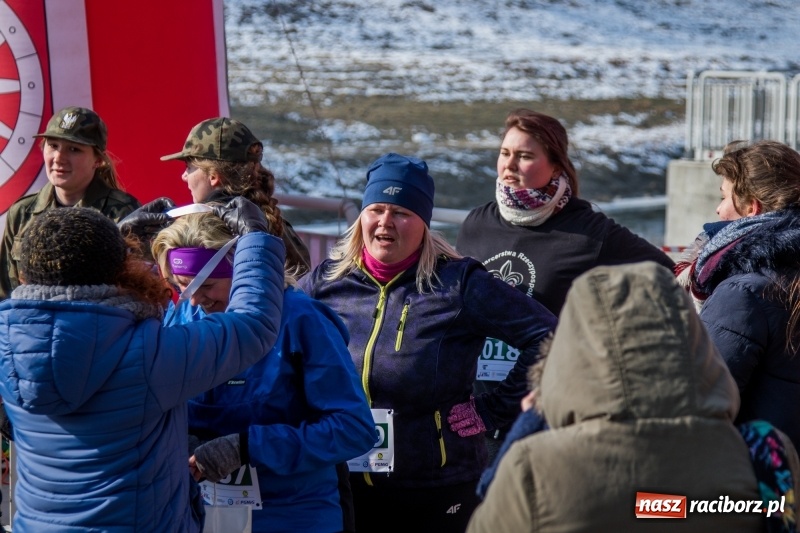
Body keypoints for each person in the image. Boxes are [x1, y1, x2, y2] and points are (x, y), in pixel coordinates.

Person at [299, 153, 557, 532]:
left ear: (424, 224)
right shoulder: (327, 283)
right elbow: (277, 340)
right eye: (376, 210)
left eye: (401, 212)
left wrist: (492, 410)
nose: (385, 222)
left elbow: (549, 337)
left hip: (435, 488)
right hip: (343, 482)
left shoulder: (458, 284)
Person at [0, 201, 285, 532]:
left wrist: (116, 241)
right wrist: (255, 238)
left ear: (25, 275)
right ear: (121, 270)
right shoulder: (148, 354)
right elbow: (252, 325)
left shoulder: (8, 347)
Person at [466, 261, 764, 532]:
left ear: (573, 349)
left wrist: (530, 421)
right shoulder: (762, 455)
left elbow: (489, 516)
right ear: (691, 338)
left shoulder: (536, 468)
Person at [456, 108, 676, 459]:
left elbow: (667, 273)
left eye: (525, 156)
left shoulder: (588, 232)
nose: (509, 165)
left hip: (549, 421)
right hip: (478, 417)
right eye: (505, 153)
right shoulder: (477, 223)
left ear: (556, 166)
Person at [150, 211, 376, 533]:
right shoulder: (185, 316)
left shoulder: (301, 319)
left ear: (241, 269)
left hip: (292, 515)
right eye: (182, 287)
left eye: (207, 285)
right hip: (202, 514)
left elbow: (354, 428)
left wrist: (247, 447)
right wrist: (177, 437)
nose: (196, 300)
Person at [674, 139, 800, 450]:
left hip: (760, 469)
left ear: (752, 208)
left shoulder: (743, 293)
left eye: (723, 197)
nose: (718, 210)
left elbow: (699, 403)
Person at [0, 106, 140, 300]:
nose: (59, 158)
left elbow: (136, 291)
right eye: (53, 146)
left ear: (98, 160)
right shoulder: (22, 212)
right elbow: (5, 294)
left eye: (74, 149)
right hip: (31, 318)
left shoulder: (122, 211)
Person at [160, 116, 310, 273]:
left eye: (189, 167)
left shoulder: (204, 230)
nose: (184, 176)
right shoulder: (277, 222)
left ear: (213, 176)